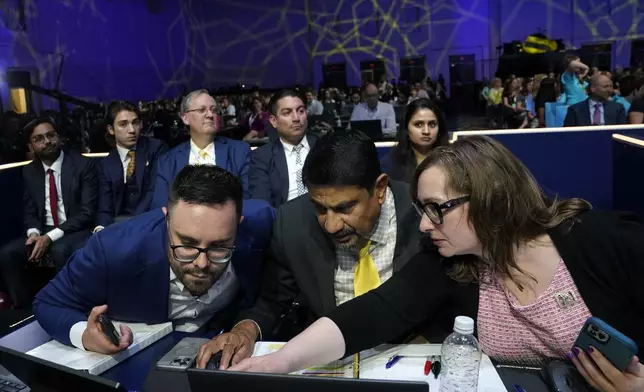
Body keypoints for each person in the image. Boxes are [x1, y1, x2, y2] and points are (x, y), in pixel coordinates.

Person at [230, 136, 644, 392]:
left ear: (489, 198)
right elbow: (374, 311)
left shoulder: (603, 241)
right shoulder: (452, 262)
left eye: (437, 208)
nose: (425, 225)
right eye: (421, 209)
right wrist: (281, 362)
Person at [195, 131, 424, 370]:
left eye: (344, 208)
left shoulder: (420, 215)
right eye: (320, 208)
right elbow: (272, 300)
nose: (331, 225)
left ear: (379, 189)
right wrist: (244, 331)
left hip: (411, 356)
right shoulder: (292, 222)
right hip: (331, 359)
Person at [33, 165, 274, 354]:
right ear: (166, 218)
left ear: (238, 226)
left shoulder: (263, 221)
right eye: (187, 244)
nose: (201, 264)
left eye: (219, 247)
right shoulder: (112, 250)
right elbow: (48, 303)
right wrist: (84, 334)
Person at [0, 116, 97, 308]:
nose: (46, 142)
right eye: (39, 139)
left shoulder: (81, 165)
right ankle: (25, 310)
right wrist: (34, 234)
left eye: (50, 135)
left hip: (75, 229)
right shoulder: (30, 171)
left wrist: (49, 237)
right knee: (7, 253)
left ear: (59, 138)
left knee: (60, 250)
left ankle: (69, 309)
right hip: (44, 230)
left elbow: (87, 213)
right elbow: (29, 210)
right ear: (31, 146)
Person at [151, 89, 251, 208]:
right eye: (202, 110)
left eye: (213, 110)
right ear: (185, 118)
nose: (210, 115)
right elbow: (160, 208)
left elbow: (248, 201)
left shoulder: (239, 152)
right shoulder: (168, 161)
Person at [94, 101, 168, 232]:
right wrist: (100, 228)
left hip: (151, 222)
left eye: (135, 122)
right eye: (123, 124)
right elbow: (105, 207)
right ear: (111, 129)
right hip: (118, 225)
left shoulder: (156, 149)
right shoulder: (105, 164)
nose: (132, 130)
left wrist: (133, 225)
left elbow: (154, 192)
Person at [249, 90, 319, 208]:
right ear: (274, 121)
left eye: (301, 111)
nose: (296, 118)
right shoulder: (261, 157)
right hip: (284, 221)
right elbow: (262, 206)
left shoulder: (324, 145)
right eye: (287, 113)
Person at [381, 99, 448, 182]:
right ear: (406, 128)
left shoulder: (452, 162)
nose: (426, 131)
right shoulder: (389, 165)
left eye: (432, 124)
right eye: (418, 124)